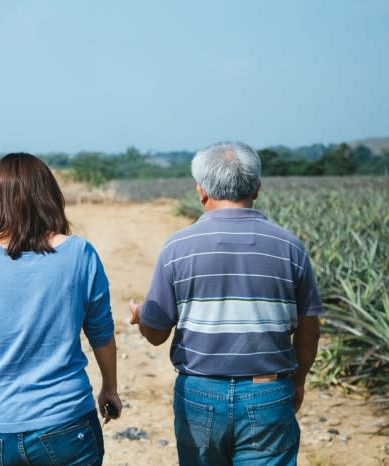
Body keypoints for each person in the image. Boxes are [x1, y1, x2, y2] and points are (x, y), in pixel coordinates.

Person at [129, 141, 323, 465]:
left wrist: (140, 316)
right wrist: (298, 380)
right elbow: (310, 329)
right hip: (269, 392)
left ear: (201, 191)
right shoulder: (290, 247)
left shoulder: (177, 247)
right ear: (257, 188)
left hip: (199, 394)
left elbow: (157, 333)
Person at [0, 153, 121, 465]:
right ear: (49, 196)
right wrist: (110, 389)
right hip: (67, 422)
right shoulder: (81, 254)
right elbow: (101, 332)